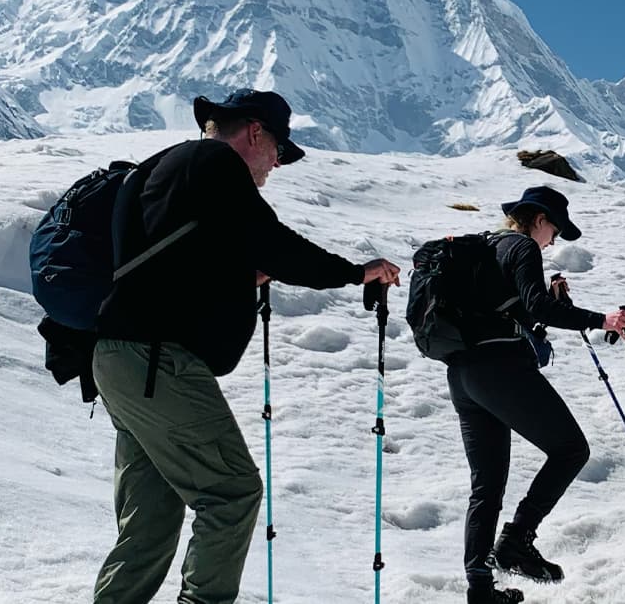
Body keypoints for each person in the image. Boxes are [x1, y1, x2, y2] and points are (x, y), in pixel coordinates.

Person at [89, 89, 401, 604]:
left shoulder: (160, 169)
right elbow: (270, 239)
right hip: (157, 363)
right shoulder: (214, 160)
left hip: (119, 360)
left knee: (151, 520)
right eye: (279, 150)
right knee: (231, 492)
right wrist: (353, 271)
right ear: (255, 132)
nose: (278, 163)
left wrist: (237, 278)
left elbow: (170, 268)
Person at [450, 187, 625, 604]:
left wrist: (539, 309)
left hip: (463, 374)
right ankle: (517, 539)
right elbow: (540, 309)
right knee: (571, 449)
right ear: (538, 219)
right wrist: (601, 318)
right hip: (500, 370)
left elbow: (514, 311)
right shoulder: (522, 247)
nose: (553, 239)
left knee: (487, 484)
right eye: (554, 229)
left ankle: (481, 589)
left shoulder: (487, 245)